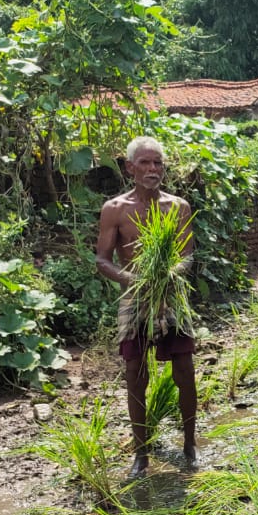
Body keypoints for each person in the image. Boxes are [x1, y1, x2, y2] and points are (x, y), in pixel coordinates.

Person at [95, 136, 198, 479]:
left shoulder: (177, 207)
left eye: (158, 163)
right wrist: (134, 281)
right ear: (130, 168)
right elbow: (102, 260)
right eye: (145, 163)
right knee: (135, 373)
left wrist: (168, 274)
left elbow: (187, 255)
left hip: (171, 295)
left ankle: (189, 445)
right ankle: (141, 454)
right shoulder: (115, 209)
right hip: (135, 296)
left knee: (184, 370)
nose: (153, 169)